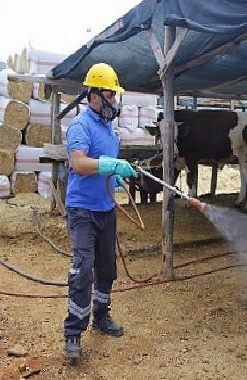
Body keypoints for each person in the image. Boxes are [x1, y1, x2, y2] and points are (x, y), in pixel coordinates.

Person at [63, 63, 138, 361]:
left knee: (106, 268)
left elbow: (103, 167)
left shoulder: (109, 129)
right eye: (110, 95)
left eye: (115, 96)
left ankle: (101, 315)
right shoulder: (81, 127)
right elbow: (79, 163)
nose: (114, 102)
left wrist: (113, 176)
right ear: (93, 95)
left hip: (106, 209)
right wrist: (109, 165)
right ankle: (72, 332)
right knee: (83, 269)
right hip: (82, 210)